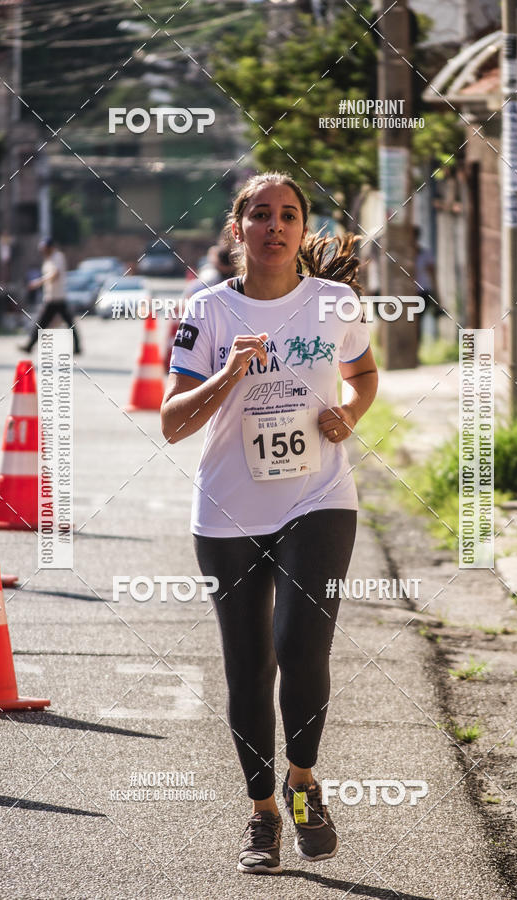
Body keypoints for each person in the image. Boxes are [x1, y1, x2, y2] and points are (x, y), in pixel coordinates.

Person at [161, 172, 378, 875]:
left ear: (300, 227)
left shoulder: (334, 303)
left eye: (288, 215)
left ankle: (304, 782)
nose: (274, 226)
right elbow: (171, 422)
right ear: (238, 229)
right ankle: (261, 816)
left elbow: (365, 374)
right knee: (249, 667)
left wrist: (351, 413)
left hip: (319, 496)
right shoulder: (207, 312)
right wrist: (227, 374)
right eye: (260, 215)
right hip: (228, 508)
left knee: (302, 644)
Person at [19, 238, 81, 354]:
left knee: (64, 323)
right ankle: (29, 345)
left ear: (51, 247)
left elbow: (55, 274)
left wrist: (39, 282)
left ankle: (77, 347)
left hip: (58, 297)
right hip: (51, 297)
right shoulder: (48, 259)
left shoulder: (57, 257)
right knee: (43, 323)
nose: (43, 251)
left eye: (45, 248)